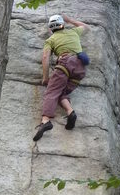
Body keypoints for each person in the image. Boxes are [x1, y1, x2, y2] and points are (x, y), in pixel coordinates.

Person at [33, 13, 89, 142]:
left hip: (65, 64)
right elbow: (85, 27)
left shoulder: (50, 40)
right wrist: (70, 20)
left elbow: (45, 58)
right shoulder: (74, 32)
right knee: (61, 92)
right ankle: (70, 112)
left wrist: (46, 77)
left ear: (50, 29)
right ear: (63, 25)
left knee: (51, 91)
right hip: (80, 67)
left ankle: (45, 120)